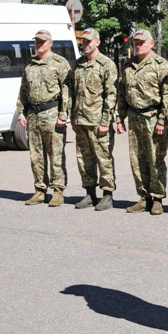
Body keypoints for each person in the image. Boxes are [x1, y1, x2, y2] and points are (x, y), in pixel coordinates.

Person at [116, 30, 168, 215]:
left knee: (155, 159)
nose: (138, 45)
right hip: (134, 118)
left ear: (151, 43)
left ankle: (157, 198)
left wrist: (163, 120)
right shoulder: (128, 65)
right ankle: (144, 197)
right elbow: (122, 92)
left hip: (153, 117)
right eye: (135, 42)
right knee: (137, 160)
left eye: (141, 42)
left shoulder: (161, 65)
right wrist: (120, 117)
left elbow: (167, 96)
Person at [17, 29, 72, 207]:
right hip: (34, 114)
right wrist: (21, 112)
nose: (39, 44)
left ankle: (57, 191)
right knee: (36, 156)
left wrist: (63, 115)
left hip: (52, 113)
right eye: (37, 41)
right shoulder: (30, 66)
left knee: (56, 154)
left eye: (42, 41)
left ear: (50, 43)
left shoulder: (59, 63)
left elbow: (67, 91)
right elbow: (23, 91)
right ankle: (40, 190)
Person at [71, 28, 118, 211]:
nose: (85, 44)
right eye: (83, 41)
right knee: (84, 160)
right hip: (81, 121)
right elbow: (74, 93)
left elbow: (111, 95)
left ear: (98, 42)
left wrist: (105, 121)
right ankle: (90, 194)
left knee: (103, 159)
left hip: (98, 122)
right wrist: (73, 118)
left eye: (89, 41)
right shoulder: (78, 65)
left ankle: (107, 195)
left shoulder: (106, 64)